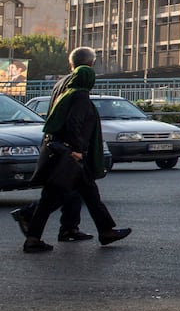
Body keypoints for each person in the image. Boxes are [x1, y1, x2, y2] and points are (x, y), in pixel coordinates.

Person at [21, 65, 131, 253]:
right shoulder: (80, 96)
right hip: (71, 156)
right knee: (61, 197)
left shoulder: (68, 93)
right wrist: (77, 150)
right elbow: (74, 123)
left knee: (86, 194)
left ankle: (105, 231)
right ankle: (32, 236)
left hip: (62, 154)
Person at [13, 47, 95, 243]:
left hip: (59, 145)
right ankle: (31, 219)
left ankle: (69, 228)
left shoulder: (60, 83)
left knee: (72, 190)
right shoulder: (77, 85)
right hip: (67, 148)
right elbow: (73, 120)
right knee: (62, 190)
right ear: (90, 64)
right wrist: (76, 148)